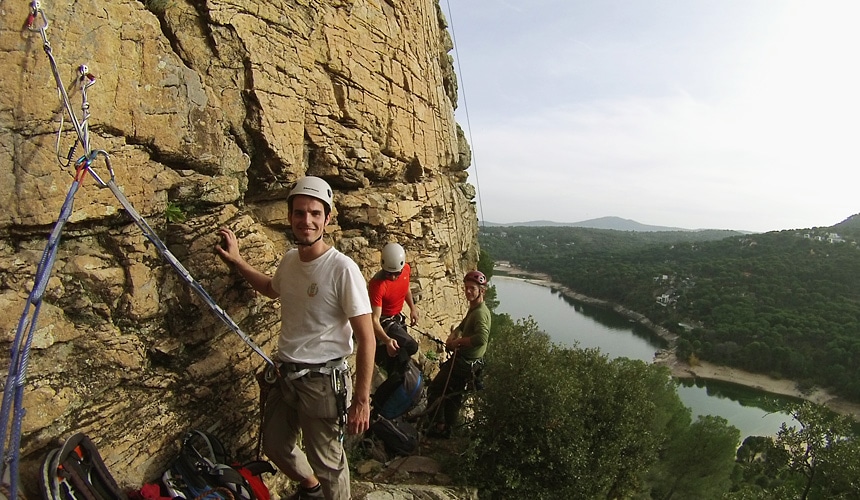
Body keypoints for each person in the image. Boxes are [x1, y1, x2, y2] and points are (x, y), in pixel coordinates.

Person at [215, 176, 374, 500]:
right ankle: (310, 487)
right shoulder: (289, 260)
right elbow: (271, 289)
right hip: (285, 374)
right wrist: (238, 261)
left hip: (321, 382)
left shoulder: (342, 269)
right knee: (275, 445)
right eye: (300, 213)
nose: (307, 221)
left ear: (327, 219)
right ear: (290, 217)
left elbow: (366, 338)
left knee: (328, 463)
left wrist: (361, 400)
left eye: (315, 213)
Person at [424, 270, 491, 439]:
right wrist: (456, 333)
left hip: (464, 364)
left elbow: (482, 338)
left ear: (481, 291)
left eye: (472, 289)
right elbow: (464, 324)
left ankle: (438, 427)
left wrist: (458, 343)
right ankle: (447, 429)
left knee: (436, 389)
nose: (468, 291)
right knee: (454, 396)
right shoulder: (475, 308)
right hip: (470, 364)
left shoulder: (480, 313)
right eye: (466, 288)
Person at [367, 243, 420, 411]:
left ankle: (390, 401)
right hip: (386, 320)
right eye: (388, 274)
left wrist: (412, 308)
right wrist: (387, 340)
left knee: (395, 367)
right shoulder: (377, 284)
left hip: (397, 319)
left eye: (395, 274)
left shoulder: (405, 271)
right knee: (411, 346)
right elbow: (374, 319)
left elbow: (405, 290)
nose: (392, 277)